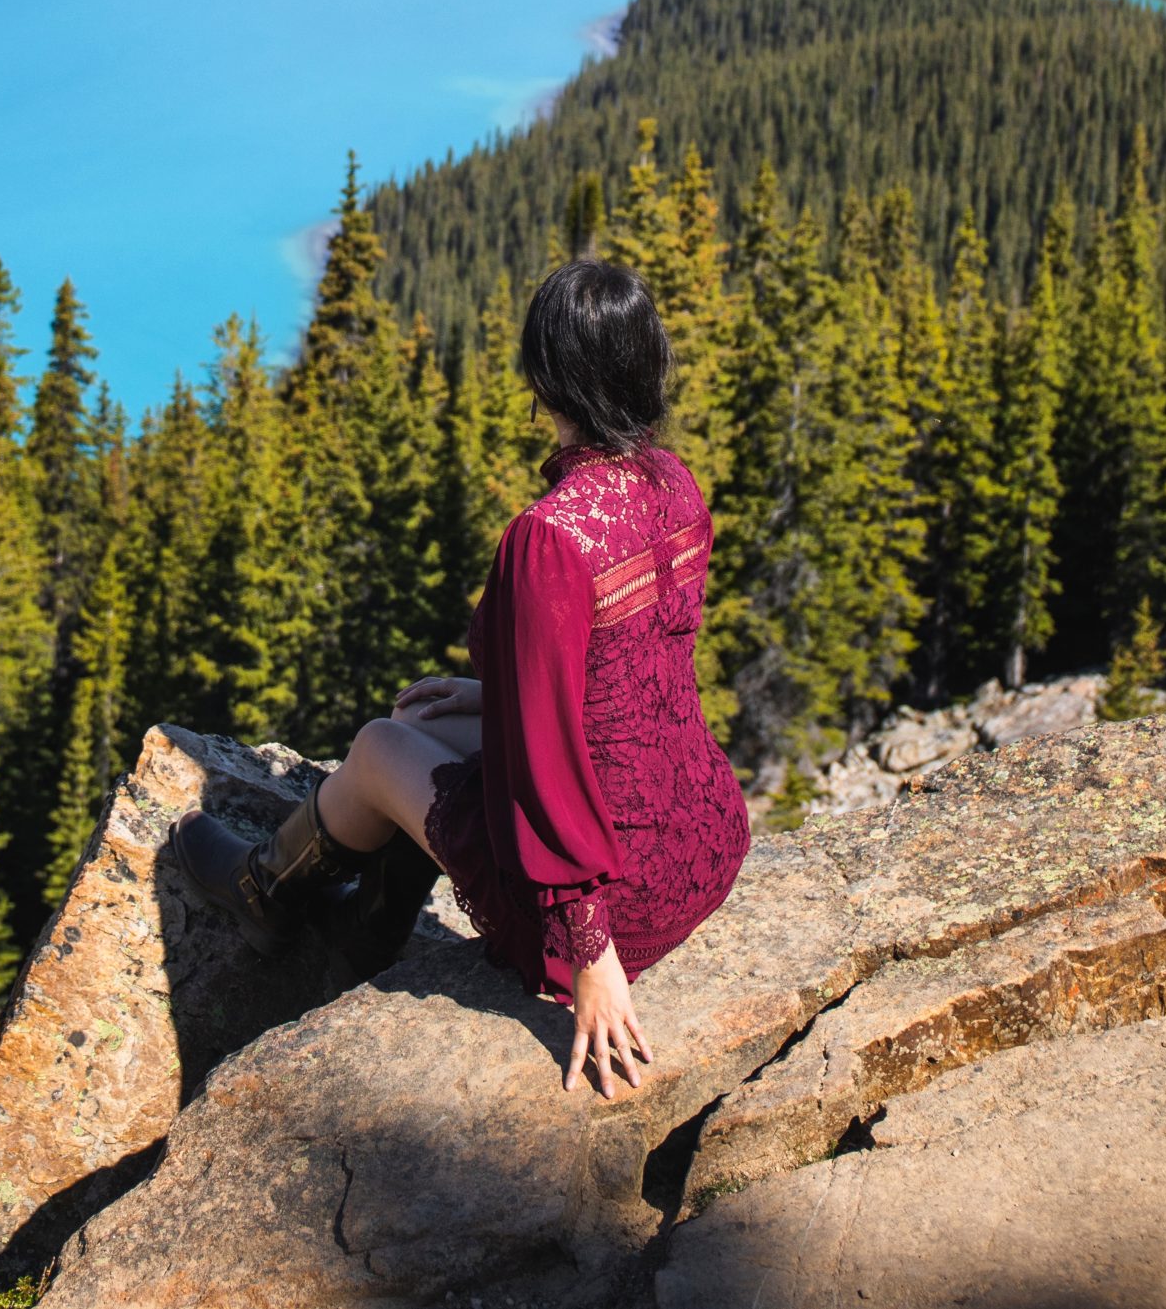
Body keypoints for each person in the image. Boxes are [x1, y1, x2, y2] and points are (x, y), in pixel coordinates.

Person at [169, 256, 751, 1099]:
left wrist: (590, 954)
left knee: (378, 746)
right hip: (700, 838)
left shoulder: (550, 537)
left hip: (614, 902)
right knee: (430, 718)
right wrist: (489, 697)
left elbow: (552, 760)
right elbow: (634, 667)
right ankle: (366, 918)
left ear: (546, 380)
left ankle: (266, 890)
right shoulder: (675, 483)